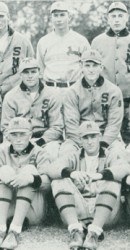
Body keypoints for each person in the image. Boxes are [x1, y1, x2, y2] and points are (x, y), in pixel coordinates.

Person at [51, 121, 129, 250]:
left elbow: (125, 168)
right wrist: (72, 173)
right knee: (58, 180)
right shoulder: (73, 156)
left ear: (99, 137)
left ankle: (94, 232)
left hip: (105, 213)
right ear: (80, 140)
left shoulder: (111, 154)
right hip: (78, 211)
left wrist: (102, 175)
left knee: (113, 180)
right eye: (85, 137)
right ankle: (75, 231)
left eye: (93, 136)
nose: (90, 141)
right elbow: (52, 168)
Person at [0, 117, 51, 249]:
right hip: (6, 207)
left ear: (30, 135)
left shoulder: (40, 152)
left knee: (29, 171)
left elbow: (49, 183)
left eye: (22, 134)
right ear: (8, 136)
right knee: (4, 171)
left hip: (33, 210)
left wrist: (31, 179)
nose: (18, 139)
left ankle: (14, 230)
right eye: (14, 134)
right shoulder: (2, 152)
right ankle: (1, 229)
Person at [1, 57, 63, 159]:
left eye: (33, 72)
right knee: (3, 150)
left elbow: (57, 127)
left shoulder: (53, 94)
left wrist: (40, 141)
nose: (30, 76)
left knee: (52, 151)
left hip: (45, 140)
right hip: (19, 139)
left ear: (40, 72)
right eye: (26, 72)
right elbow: (6, 127)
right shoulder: (10, 96)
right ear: (20, 75)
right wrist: (21, 141)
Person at [63, 49, 124, 151]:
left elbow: (114, 124)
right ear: (81, 67)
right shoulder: (72, 92)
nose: (91, 70)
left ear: (101, 67)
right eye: (87, 65)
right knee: (66, 150)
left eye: (95, 65)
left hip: (106, 136)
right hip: (81, 137)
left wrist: (104, 144)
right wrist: (84, 144)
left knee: (119, 152)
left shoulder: (114, 91)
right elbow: (71, 124)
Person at [91, 2, 130, 143]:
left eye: (120, 16)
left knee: (127, 135)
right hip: (104, 97)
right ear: (108, 19)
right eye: (113, 16)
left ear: (127, 17)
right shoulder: (97, 41)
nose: (117, 19)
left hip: (128, 98)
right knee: (107, 135)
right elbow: (91, 70)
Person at [37, 1, 90, 94]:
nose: (59, 19)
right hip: (50, 90)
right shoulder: (43, 42)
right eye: (55, 15)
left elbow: (89, 69)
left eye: (62, 15)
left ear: (69, 17)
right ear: (51, 18)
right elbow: (40, 71)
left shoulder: (81, 40)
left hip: (75, 90)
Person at [0, 1, 34, 97]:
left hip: (16, 95)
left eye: (1, 16)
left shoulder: (22, 41)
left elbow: (32, 69)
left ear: (8, 17)